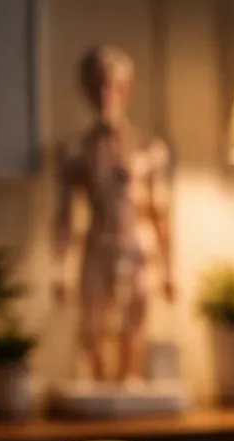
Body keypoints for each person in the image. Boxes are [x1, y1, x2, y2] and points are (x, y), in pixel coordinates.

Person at [52, 45, 173, 383]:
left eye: (114, 86)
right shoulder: (76, 152)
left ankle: (128, 379)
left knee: (136, 316)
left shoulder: (148, 149)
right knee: (92, 323)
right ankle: (102, 383)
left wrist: (169, 266)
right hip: (97, 244)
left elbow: (161, 211)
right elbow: (64, 216)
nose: (107, 95)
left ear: (127, 89)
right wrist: (59, 268)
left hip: (135, 245)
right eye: (99, 86)